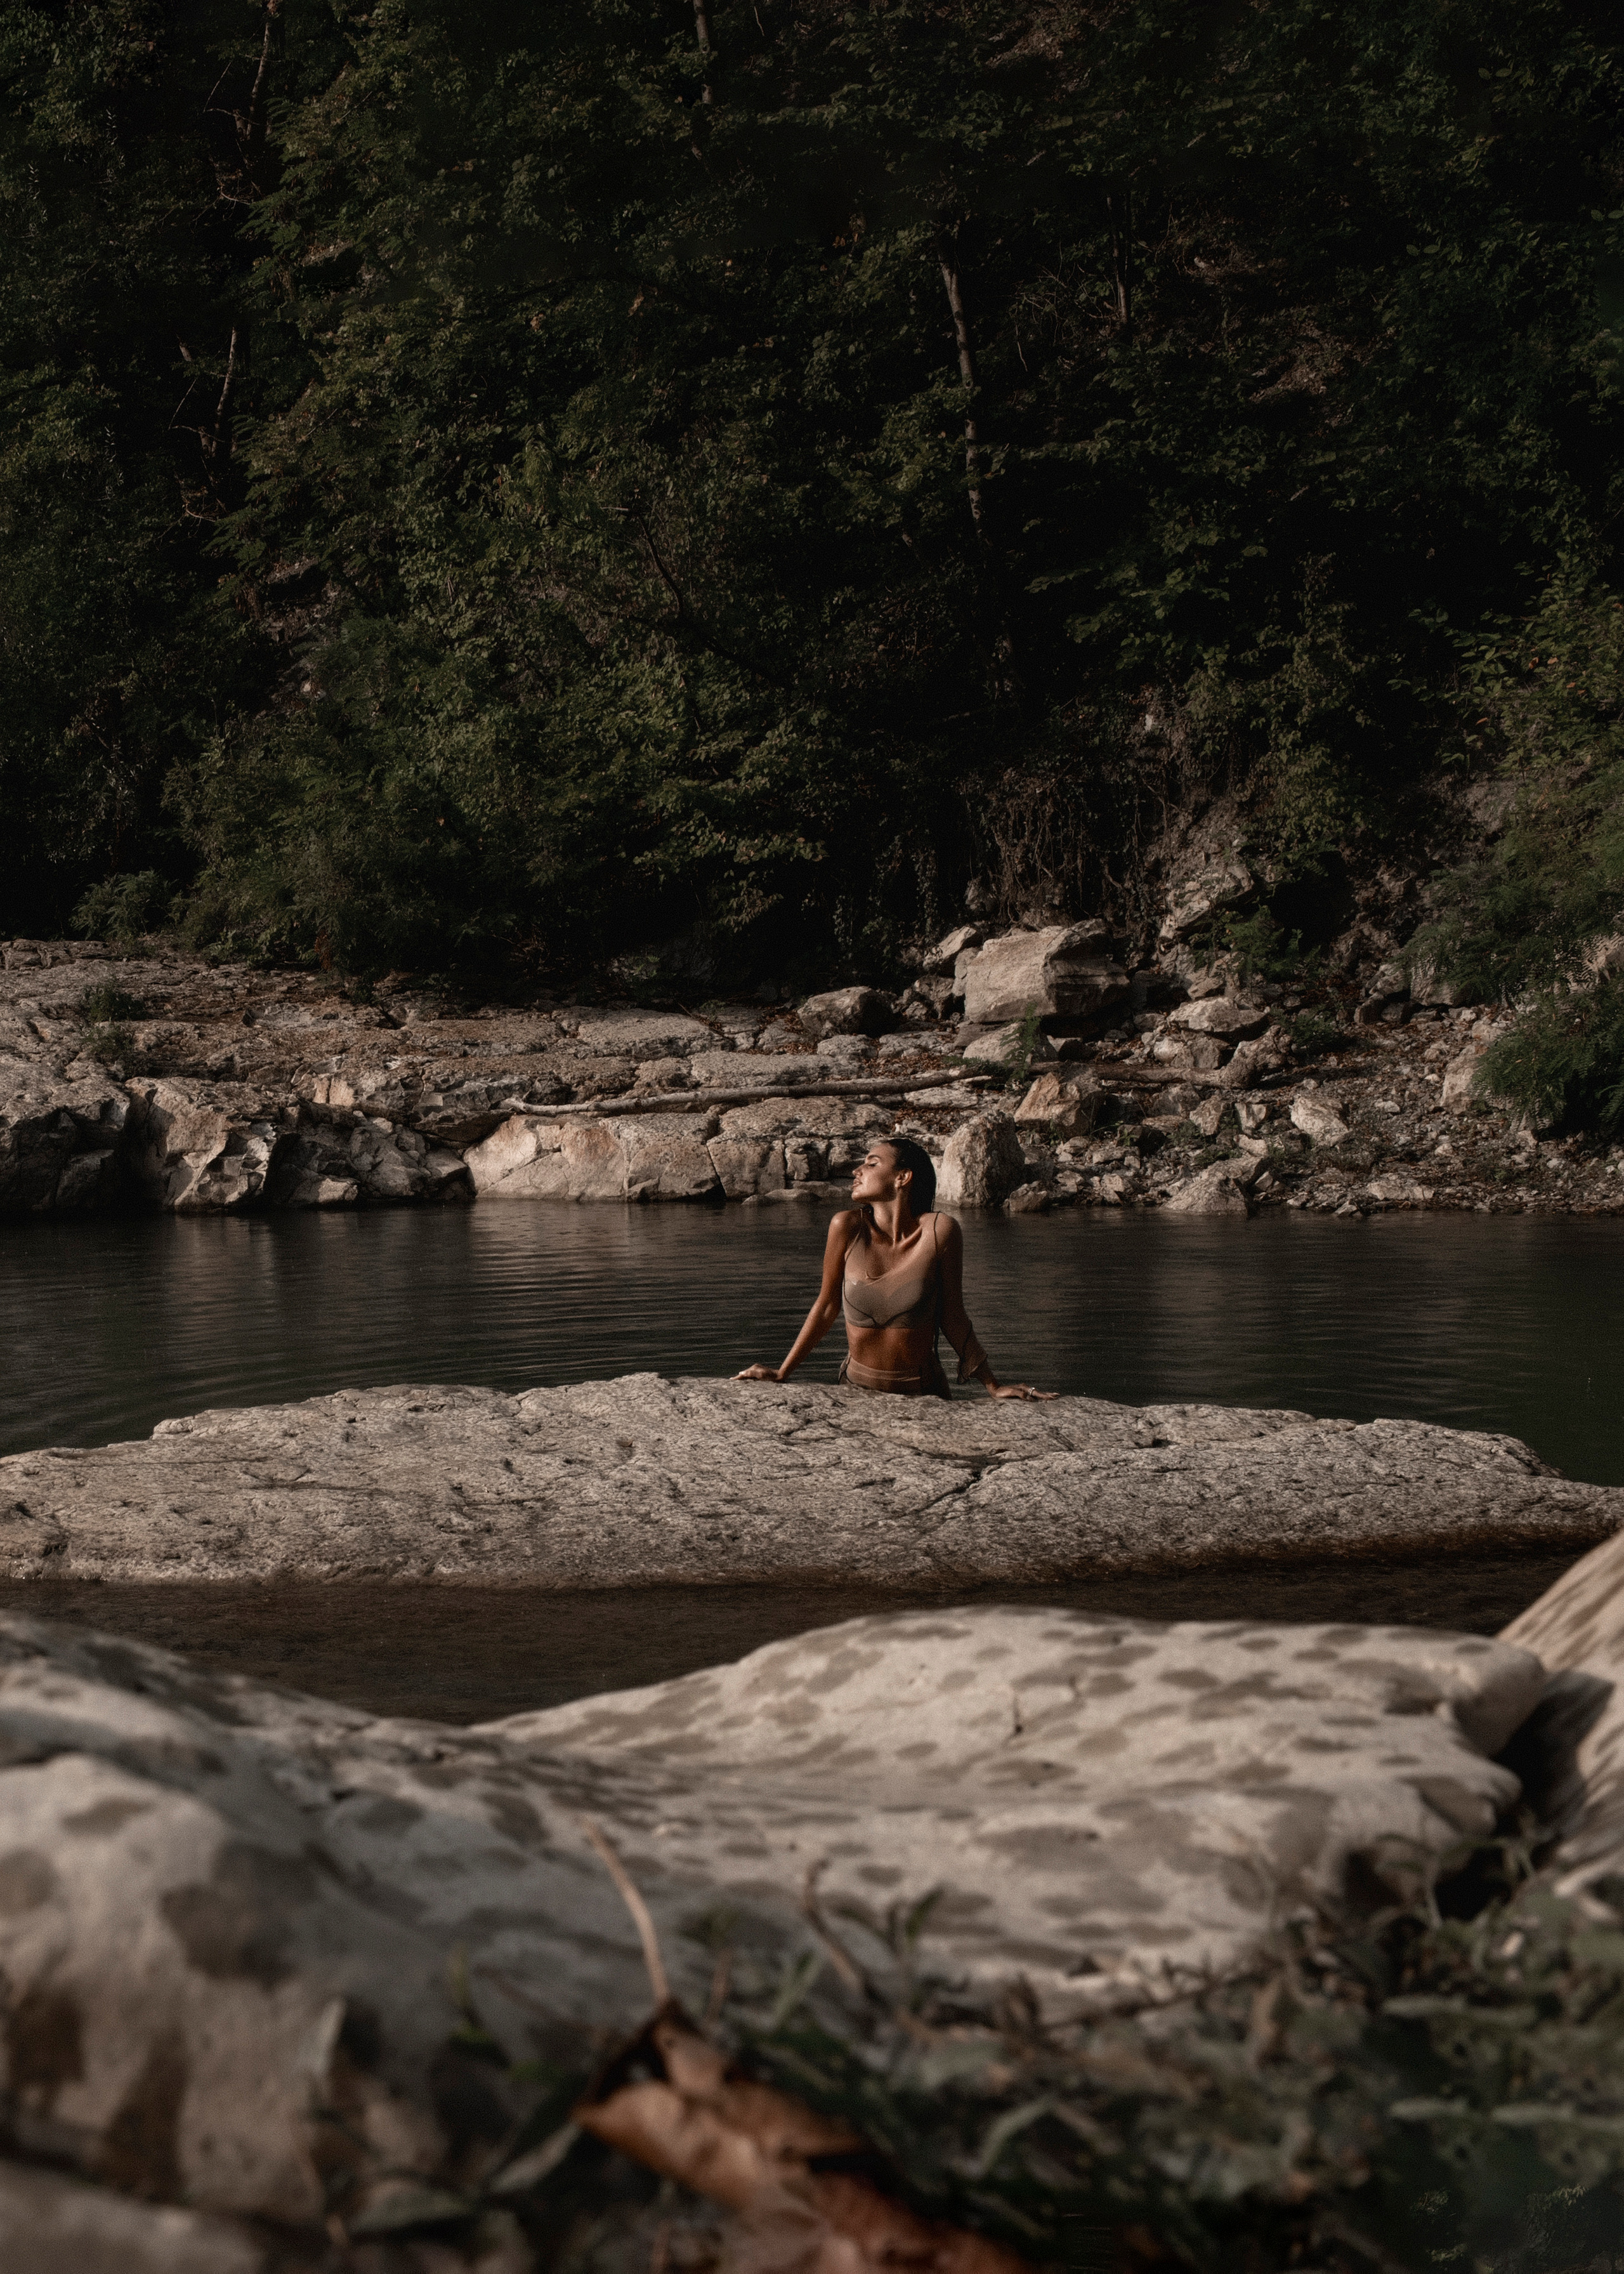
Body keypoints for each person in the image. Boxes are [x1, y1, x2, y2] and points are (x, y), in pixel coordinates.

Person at [735, 1135, 1055, 1401]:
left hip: (925, 1394)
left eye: (872, 1164)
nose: (858, 1171)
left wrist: (993, 1386)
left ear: (903, 1177)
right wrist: (782, 1373)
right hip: (856, 1391)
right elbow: (827, 1306)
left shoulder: (939, 1231)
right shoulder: (846, 1227)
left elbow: (953, 1315)